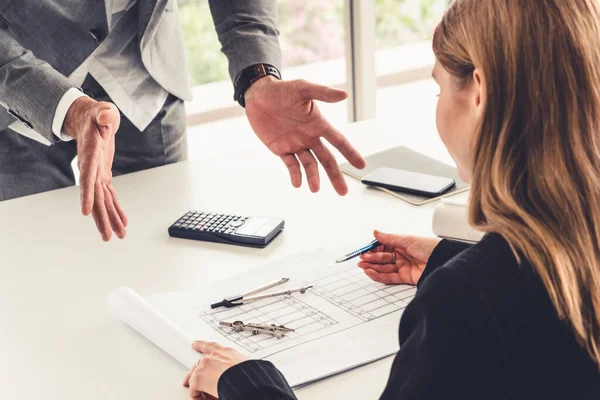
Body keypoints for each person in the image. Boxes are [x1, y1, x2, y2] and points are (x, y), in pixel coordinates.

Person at [181, 0, 600, 398]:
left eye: (438, 90)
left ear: (479, 92)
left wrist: (251, 383)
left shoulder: (462, 305)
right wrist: (450, 258)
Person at [0, 1, 365, 241]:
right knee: (34, 259)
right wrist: (70, 110)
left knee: (166, 250)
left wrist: (257, 75)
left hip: (142, 71)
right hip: (17, 88)